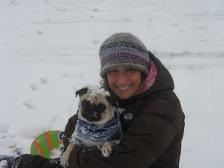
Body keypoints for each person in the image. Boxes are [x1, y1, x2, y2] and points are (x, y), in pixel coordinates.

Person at [1, 32, 185, 168]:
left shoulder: (164, 107)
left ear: (143, 71)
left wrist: (71, 156)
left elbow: (122, 162)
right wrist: (70, 142)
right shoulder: (111, 91)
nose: (121, 80)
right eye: (114, 71)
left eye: (130, 69)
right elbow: (76, 122)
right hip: (95, 157)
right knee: (32, 164)